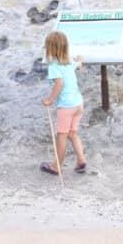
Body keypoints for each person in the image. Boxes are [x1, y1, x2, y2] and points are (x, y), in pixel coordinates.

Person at [40, 30, 88, 176]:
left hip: (66, 106)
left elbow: (59, 84)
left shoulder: (54, 66)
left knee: (61, 135)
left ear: (50, 49)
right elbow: (79, 65)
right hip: (78, 104)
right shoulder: (69, 62)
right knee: (73, 133)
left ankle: (57, 166)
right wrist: (80, 60)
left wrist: (49, 100)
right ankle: (81, 160)